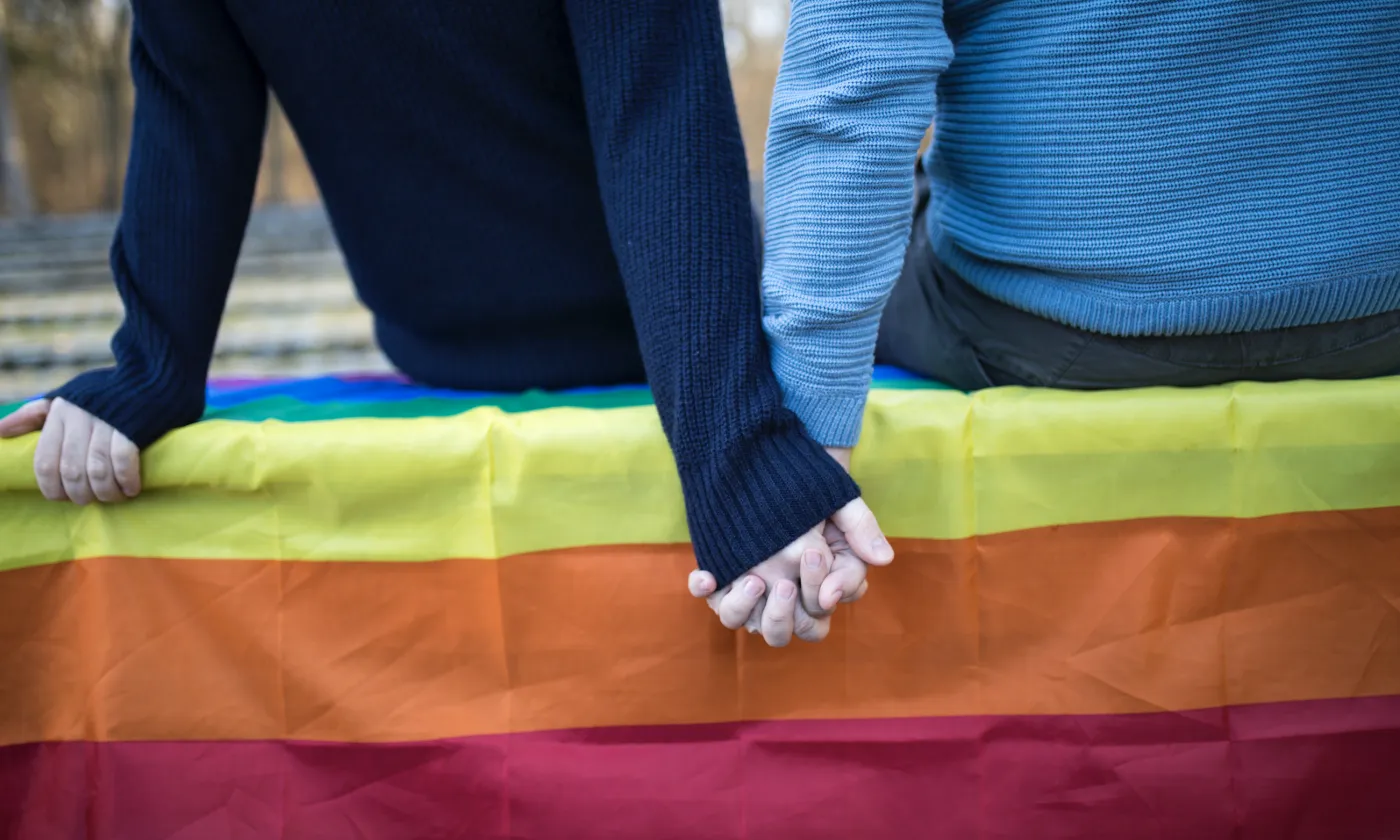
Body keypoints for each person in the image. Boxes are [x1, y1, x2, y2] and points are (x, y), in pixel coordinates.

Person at [0, 0, 896, 647]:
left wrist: (734, 450)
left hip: (645, 337)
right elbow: (192, 98)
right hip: (460, 341)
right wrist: (148, 369)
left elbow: (653, 97)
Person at [689, 0, 1400, 611]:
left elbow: (857, 80)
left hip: (1042, 316)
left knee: (763, 222)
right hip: (1374, 305)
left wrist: (803, 455)